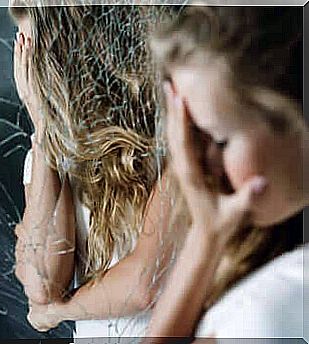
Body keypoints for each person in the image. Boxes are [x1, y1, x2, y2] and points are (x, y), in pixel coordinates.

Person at [10, 2, 176, 341]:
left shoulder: (168, 137)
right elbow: (42, 286)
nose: (22, 69)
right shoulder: (47, 160)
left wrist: (58, 312)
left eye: (30, 53)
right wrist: (42, 130)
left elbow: (144, 283)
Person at [145, 6, 307, 341]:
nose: (200, 168)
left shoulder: (271, 308)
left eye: (219, 139)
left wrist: (204, 238)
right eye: (191, 139)